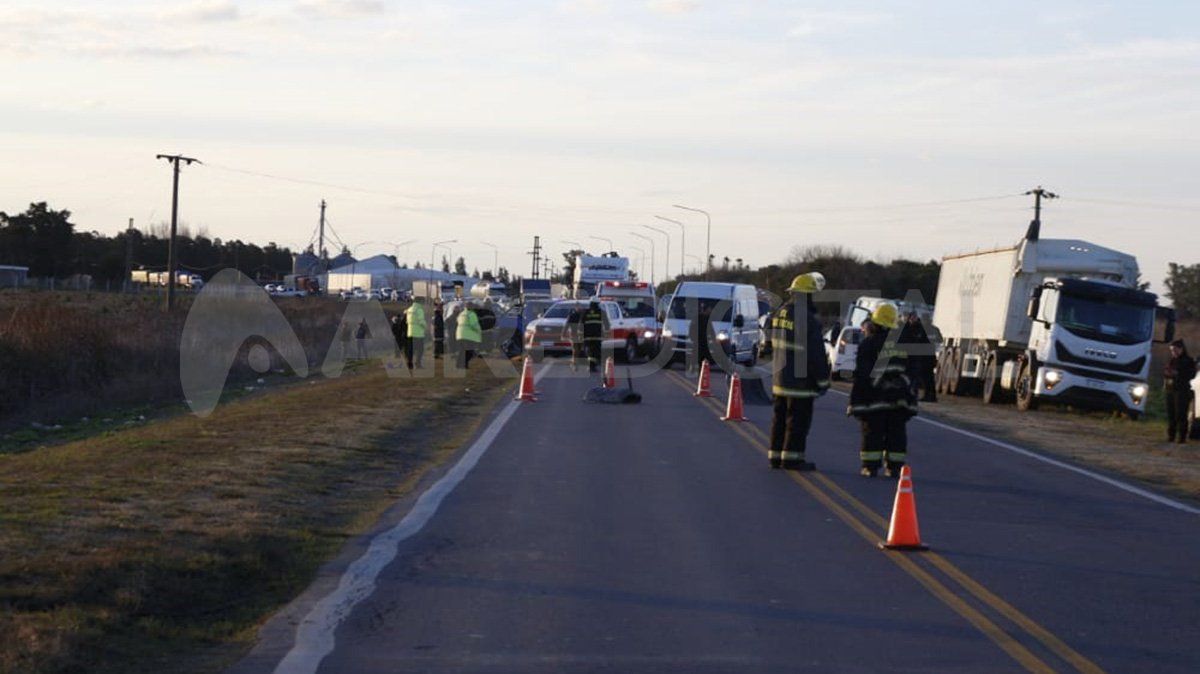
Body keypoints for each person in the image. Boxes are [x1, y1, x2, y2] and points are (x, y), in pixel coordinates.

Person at [768, 272, 831, 471]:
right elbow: (816, 355)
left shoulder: (780, 313)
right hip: (800, 383)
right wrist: (822, 382)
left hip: (779, 379)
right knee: (797, 422)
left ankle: (775, 456)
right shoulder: (808, 319)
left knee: (779, 419)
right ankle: (792, 459)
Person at [850, 303, 917, 478]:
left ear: (876, 323)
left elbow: (862, 375)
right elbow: (912, 371)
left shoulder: (869, 344)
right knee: (896, 433)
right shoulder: (901, 345)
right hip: (898, 399)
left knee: (872, 432)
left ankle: (870, 466)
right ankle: (894, 467)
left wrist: (855, 401)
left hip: (874, 399)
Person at [900, 311, 937, 402]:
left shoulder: (921, 328)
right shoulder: (911, 328)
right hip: (920, 356)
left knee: (924, 378)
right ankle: (926, 395)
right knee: (922, 378)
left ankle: (928, 395)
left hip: (923, 357)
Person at [1164, 339, 1196, 444]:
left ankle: (1182, 437)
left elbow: (1191, 375)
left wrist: (1177, 373)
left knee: (1181, 414)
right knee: (1171, 414)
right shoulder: (1172, 360)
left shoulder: (1188, 361)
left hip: (1182, 391)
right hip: (1170, 389)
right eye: (1172, 350)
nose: (1173, 352)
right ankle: (1171, 436)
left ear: (1181, 349)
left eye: (1175, 350)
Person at [582, 298, 607, 373]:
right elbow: (606, 323)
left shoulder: (585, 312)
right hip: (597, 335)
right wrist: (607, 332)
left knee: (589, 350)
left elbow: (581, 323)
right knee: (595, 351)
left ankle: (591, 365)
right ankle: (592, 366)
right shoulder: (601, 312)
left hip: (587, 335)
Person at [457, 302, 483, 369]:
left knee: (462, 351)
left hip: (459, 335)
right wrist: (479, 331)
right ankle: (464, 364)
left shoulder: (461, 314)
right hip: (468, 336)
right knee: (470, 351)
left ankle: (459, 364)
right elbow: (474, 325)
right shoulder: (471, 314)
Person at [405, 298, 427, 370]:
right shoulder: (419, 310)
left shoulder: (409, 309)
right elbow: (421, 321)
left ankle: (409, 363)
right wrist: (426, 327)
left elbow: (407, 321)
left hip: (410, 332)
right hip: (418, 333)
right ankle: (418, 363)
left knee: (411, 349)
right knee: (420, 350)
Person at [564, 303, 585, 371]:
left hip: (581, 335)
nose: (579, 308)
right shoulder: (572, 315)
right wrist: (563, 333)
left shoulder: (584, 315)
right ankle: (574, 364)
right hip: (574, 335)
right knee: (575, 350)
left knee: (579, 349)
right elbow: (567, 325)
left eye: (580, 307)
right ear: (575, 308)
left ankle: (574, 361)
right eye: (578, 307)